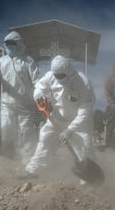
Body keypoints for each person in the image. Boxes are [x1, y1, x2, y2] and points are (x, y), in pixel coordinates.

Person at [25, 55, 96, 183]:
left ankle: (88, 181)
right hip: (56, 118)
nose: (58, 78)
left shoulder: (83, 82)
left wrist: (69, 130)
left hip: (78, 123)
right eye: (56, 75)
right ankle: (33, 170)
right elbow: (39, 88)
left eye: (61, 76)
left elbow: (85, 111)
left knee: (84, 148)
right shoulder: (50, 76)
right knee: (45, 141)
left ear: (69, 72)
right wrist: (39, 95)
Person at [0, 31, 41, 166]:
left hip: (25, 103)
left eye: (12, 44)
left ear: (19, 44)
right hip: (7, 103)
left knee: (26, 133)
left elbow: (37, 81)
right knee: (6, 130)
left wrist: (40, 95)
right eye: (7, 44)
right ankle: (8, 161)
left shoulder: (28, 61)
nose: (9, 46)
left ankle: (27, 163)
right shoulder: (1, 61)